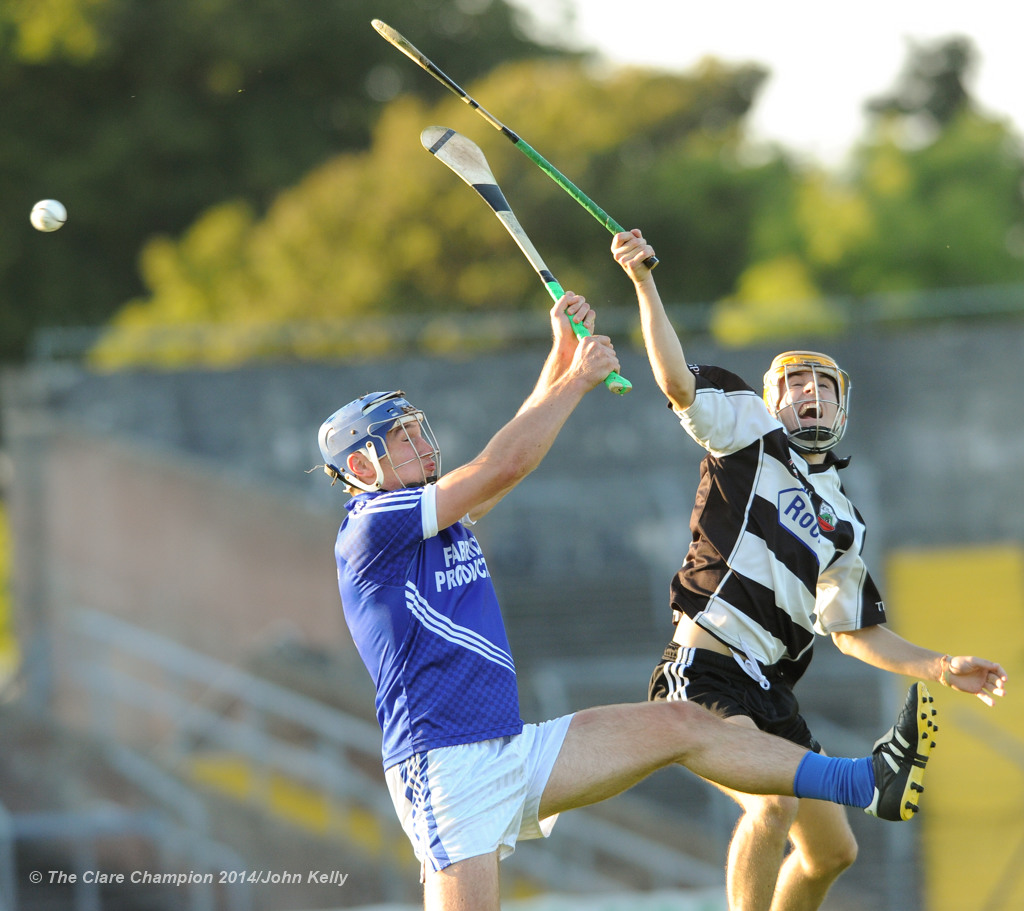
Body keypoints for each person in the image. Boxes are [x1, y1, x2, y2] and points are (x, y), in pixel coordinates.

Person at [316, 292, 939, 911]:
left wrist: (560, 358)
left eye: (413, 430)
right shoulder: (374, 525)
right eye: (399, 439)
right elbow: (500, 465)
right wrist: (578, 382)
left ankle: (864, 781)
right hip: (445, 766)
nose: (420, 442)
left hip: (510, 745)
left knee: (683, 724)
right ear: (361, 465)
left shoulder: (434, 517)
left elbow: (506, 466)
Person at [610, 228, 1009, 911]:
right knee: (769, 809)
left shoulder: (845, 519)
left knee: (833, 851)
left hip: (771, 691)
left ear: (844, 409)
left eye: (825, 387)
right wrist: (646, 283)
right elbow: (676, 380)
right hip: (705, 670)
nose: (812, 396)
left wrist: (940, 665)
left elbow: (851, 629)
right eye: (796, 385)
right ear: (773, 399)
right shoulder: (747, 434)